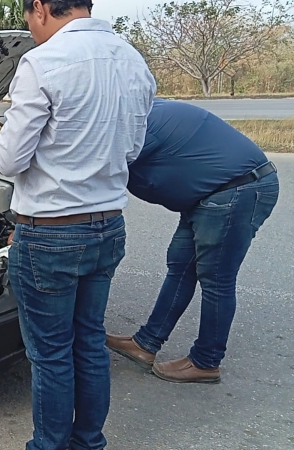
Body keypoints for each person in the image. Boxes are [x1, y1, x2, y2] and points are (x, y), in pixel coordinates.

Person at [0, 1, 156, 449]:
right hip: (107, 226)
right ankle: (89, 442)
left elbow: (8, 160)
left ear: (41, 8)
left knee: (50, 355)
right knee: (88, 343)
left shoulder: (42, 62)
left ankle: (48, 446)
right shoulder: (132, 58)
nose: (30, 28)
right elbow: (132, 148)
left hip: (49, 233)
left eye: (28, 18)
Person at [106, 98, 279, 383]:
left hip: (237, 189)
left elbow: (102, 170)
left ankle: (206, 362)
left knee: (216, 278)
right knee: (181, 267)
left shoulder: (135, 127)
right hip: (208, 193)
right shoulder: (133, 113)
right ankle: (145, 343)